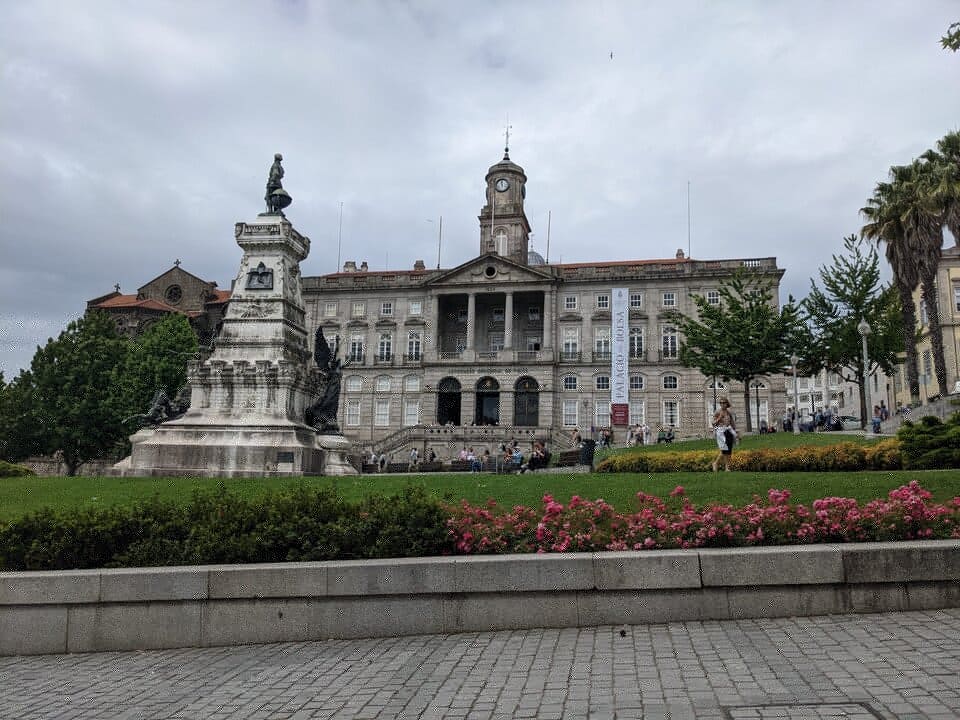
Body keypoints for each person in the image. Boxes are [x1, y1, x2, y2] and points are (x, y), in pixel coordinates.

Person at [711, 396, 738, 472]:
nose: (722, 404)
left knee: (729, 450)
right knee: (724, 449)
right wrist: (719, 418)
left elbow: (732, 423)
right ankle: (715, 463)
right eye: (721, 403)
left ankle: (727, 468)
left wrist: (735, 432)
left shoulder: (729, 412)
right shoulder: (717, 412)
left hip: (729, 431)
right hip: (721, 432)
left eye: (724, 403)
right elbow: (713, 423)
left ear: (727, 403)